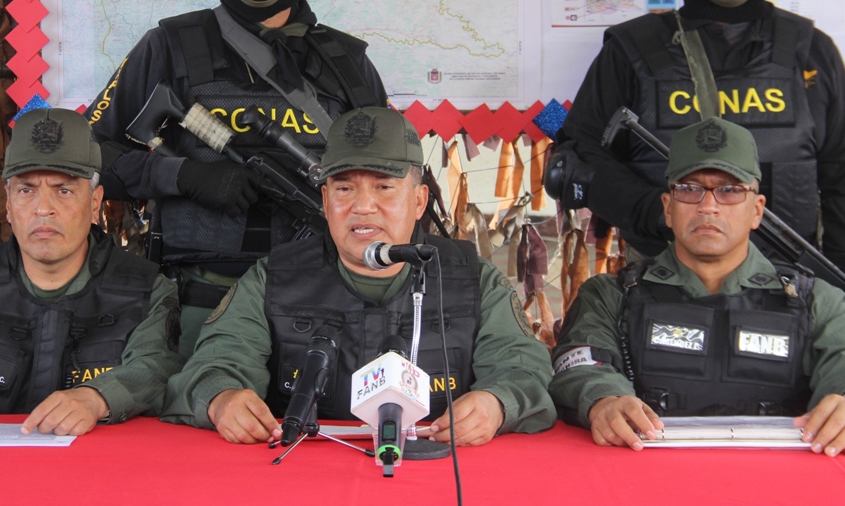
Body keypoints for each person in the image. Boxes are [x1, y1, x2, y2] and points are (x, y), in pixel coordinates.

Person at [84, 0, 388, 358]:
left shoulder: (346, 63)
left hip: (325, 298)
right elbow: (88, 156)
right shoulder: (168, 47)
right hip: (203, 299)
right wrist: (184, 175)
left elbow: (389, 174)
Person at [161, 107, 556, 446]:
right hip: (303, 477)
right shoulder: (272, 278)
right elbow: (215, 364)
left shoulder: (474, 280)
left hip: (431, 475)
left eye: (384, 187)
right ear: (326, 200)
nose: (363, 207)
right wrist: (222, 397)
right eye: (344, 188)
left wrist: (498, 403)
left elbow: (522, 370)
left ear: (418, 201)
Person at [548, 0, 845, 277]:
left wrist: (843, 282)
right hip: (666, 284)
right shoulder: (632, 50)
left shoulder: (811, 52)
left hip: (792, 287)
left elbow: (841, 177)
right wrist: (657, 213)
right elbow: (573, 160)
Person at [549, 117, 845, 456]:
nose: (708, 207)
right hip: (644, 480)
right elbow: (578, 365)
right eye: (690, 189)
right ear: (668, 207)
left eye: (728, 190)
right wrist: (603, 400)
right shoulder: (611, 295)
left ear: (756, 209)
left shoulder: (815, 300)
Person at [0, 108, 183, 446]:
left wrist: (96, 397)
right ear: (8, 204)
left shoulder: (146, 291)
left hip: (98, 479)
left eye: (64, 190)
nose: (42, 208)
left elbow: (154, 367)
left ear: (94, 203)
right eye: (27, 190)